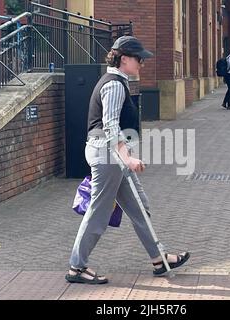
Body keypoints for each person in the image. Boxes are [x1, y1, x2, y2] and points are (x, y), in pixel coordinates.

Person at [65, 36, 190, 284]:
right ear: (124, 59)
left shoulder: (118, 81)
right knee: (99, 212)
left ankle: (159, 259)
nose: (142, 63)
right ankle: (76, 268)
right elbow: (110, 125)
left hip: (112, 155)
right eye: (138, 59)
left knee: (138, 207)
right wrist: (127, 158)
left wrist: (126, 156)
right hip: (107, 156)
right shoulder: (113, 85)